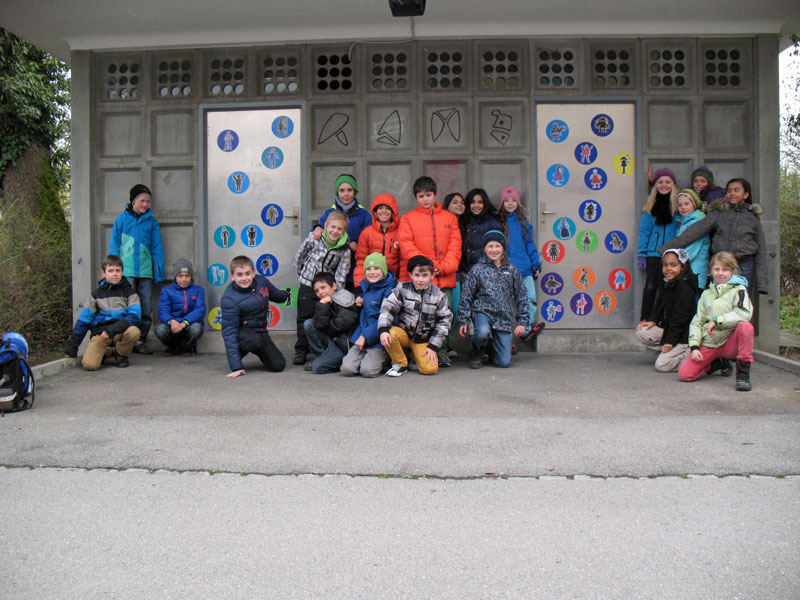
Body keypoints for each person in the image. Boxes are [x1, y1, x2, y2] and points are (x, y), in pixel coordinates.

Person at [659, 178, 767, 299]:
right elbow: (696, 231)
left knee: (741, 299)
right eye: (729, 190)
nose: (732, 193)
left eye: (736, 190)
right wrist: (666, 248)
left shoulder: (752, 217)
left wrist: (762, 284)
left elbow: (761, 248)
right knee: (719, 299)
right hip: (721, 264)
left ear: (746, 194)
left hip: (744, 265)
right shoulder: (719, 213)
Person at [397, 176, 462, 367]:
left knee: (444, 315)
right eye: (421, 196)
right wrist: (428, 268)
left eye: (428, 195)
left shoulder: (449, 218)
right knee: (421, 318)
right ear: (416, 197)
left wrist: (442, 267)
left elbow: (455, 247)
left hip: (444, 277)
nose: (425, 199)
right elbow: (407, 246)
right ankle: (418, 353)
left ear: (435, 195)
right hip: (421, 278)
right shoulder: (408, 218)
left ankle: (441, 351)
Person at [678, 251, 754, 391]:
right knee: (685, 375)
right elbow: (697, 322)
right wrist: (694, 347)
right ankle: (717, 363)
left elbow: (744, 313)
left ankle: (743, 375)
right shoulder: (706, 294)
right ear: (711, 271)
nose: (720, 273)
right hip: (711, 342)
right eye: (716, 269)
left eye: (725, 270)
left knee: (746, 327)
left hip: (730, 341)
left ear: (733, 271)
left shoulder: (739, 290)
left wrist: (718, 320)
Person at [457, 231, 528, 369]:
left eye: (497, 246)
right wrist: (463, 320)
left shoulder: (512, 270)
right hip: (482, 312)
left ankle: (490, 348)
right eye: (490, 246)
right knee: (482, 333)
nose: (494, 250)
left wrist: (522, 321)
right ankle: (478, 350)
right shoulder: (477, 270)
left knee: (504, 363)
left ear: (503, 249)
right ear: (484, 248)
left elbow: (521, 295)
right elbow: (466, 295)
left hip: (503, 316)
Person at [108, 184, 164, 355]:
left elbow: (157, 248)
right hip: (127, 271)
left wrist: (158, 272)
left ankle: (140, 340)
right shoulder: (121, 220)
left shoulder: (151, 222)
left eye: (148, 201)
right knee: (127, 306)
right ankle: (127, 339)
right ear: (133, 201)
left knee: (146, 307)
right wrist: (113, 270)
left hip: (145, 271)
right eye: (142, 201)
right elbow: (114, 245)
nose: (145, 204)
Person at [378, 255, 453, 377]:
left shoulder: (439, 296)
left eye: (425, 275)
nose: (420, 280)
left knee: (430, 369)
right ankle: (400, 364)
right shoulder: (402, 288)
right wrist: (383, 329)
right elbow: (388, 308)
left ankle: (414, 355)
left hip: (423, 339)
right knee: (390, 333)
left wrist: (433, 346)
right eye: (417, 275)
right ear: (411, 275)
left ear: (432, 276)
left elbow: (444, 322)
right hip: (404, 333)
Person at [292, 211, 351, 365]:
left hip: (326, 290)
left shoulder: (344, 249)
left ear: (344, 231)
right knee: (303, 317)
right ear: (326, 226)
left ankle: (322, 350)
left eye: (339, 229)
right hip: (308, 284)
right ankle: (301, 350)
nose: (335, 231)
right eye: (332, 227)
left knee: (322, 318)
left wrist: (335, 294)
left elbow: (341, 273)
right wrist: (302, 272)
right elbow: (300, 254)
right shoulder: (314, 238)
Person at [64, 254, 141, 370]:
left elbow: (135, 316)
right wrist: (72, 348)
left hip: (121, 331)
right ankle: (103, 352)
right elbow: (83, 321)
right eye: (110, 271)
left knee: (134, 331)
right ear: (103, 273)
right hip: (101, 333)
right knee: (90, 365)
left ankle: (121, 354)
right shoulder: (96, 295)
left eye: (118, 271)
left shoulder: (130, 293)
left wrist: (112, 329)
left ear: (122, 272)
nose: (115, 274)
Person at [221, 255, 288, 378]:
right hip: (243, 334)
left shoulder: (261, 281)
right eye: (239, 275)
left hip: (261, 333)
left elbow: (276, 294)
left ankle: (256, 347)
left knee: (278, 365)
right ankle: (238, 355)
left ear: (253, 273)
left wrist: (285, 295)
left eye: (247, 273)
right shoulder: (229, 299)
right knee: (252, 340)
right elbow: (229, 333)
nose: (244, 278)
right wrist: (236, 367)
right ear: (232, 276)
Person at [635, 249, 699, 372]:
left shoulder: (684, 288)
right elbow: (659, 304)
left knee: (662, 365)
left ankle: (695, 357)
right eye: (665, 265)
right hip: (672, 331)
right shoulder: (669, 283)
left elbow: (680, 319)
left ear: (683, 267)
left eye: (673, 265)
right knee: (642, 331)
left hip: (685, 336)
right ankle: (671, 351)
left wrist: (670, 341)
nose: (668, 269)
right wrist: (652, 320)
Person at [497, 185, 546, 342]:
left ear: (518, 202)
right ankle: (507, 339)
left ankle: (526, 329)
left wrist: (536, 264)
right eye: (507, 200)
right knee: (506, 304)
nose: (510, 203)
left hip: (524, 268)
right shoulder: (498, 223)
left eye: (514, 200)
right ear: (502, 203)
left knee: (530, 298)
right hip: (505, 269)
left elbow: (529, 244)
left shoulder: (523, 223)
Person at [341, 253, 397, 378]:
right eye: (368, 269)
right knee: (347, 369)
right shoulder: (366, 287)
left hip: (379, 337)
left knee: (368, 371)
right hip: (362, 333)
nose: (372, 272)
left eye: (376, 268)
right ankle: (366, 358)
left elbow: (388, 319)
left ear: (384, 271)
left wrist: (365, 336)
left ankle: (387, 357)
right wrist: (359, 299)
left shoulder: (390, 291)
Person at [311, 174, 372, 288]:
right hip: (332, 269)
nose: (346, 194)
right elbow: (321, 230)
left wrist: (358, 243)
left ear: (355, 191)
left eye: (350, 190)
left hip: (355, 267)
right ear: (337, 192)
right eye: (342, 190)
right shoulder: (330, 212)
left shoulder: (363, 214)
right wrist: (317, 228)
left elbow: (370, 235)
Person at [637, 168, 678, 321]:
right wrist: (642, 253)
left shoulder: (677, 207)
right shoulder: (650, 208)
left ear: (673, 184)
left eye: (668, 182)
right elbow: (644, 232)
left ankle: (662, 319)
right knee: (650, 286)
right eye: (660, 182)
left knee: (666, 287)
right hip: (653, 254)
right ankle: (645, 318)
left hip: (671, 255)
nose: (664, 185)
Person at [302, 272, 360, 374]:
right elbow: (319, 325)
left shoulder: (345, 299)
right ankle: (323, 356)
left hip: (344, 345)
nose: (320, 292)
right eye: (317, 290)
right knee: (308, 324)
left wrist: (326, 326)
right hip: (333, 340)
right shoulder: (325, 302)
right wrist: (322, 306)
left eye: (323, 287)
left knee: (317, 367)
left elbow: (340, 326)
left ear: (334, 286)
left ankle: (338, 361)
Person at [154, 258, 206, 356]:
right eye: (180, 276)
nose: (184, 279)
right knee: (160, 330)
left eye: (187, 276)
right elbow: (163, 310)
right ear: (175, 277)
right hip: (173, 325)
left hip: (189, 323)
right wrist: (172, 321)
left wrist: (185, 322)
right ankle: (173, 347)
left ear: (191, 277)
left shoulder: (198, 290)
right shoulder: (166, 291)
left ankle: (187, 348)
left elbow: (200, 310)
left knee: (196, 329)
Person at [353, 193, 400, 286]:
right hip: (372, 282)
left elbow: (404, 261)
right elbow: (361, 260)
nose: (384, 211)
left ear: (393, 211)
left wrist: (402, 282)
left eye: (387, 208)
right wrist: (360, 284)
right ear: (375, 211)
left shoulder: (401, 231)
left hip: (394, 282)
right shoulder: (367, 233)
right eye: (380, 208)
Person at [673, 189, 711, 289]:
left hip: (694, 274)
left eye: (686, 204)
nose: (683, 207)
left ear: (694, 204)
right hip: (685, 272)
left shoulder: (698, 223)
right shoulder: (683, 222)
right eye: (679, 205)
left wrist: (675, 264)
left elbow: (691, 251)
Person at [460, 187, 502, 276]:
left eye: (480, 202)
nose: (476, 205)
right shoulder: (464, 222)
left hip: (488, 273)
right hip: (467, 272)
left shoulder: (492, 223)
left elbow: (498, 250)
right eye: (473, 202)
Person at [442, 191, 467, 319]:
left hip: (463, 271)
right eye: (455, 202)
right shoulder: (442, 225)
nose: (459, 205)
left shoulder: (464, 225)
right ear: (447, 205)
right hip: (449, 271)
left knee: (458, 310)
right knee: (451, 309)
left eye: (462, 203)